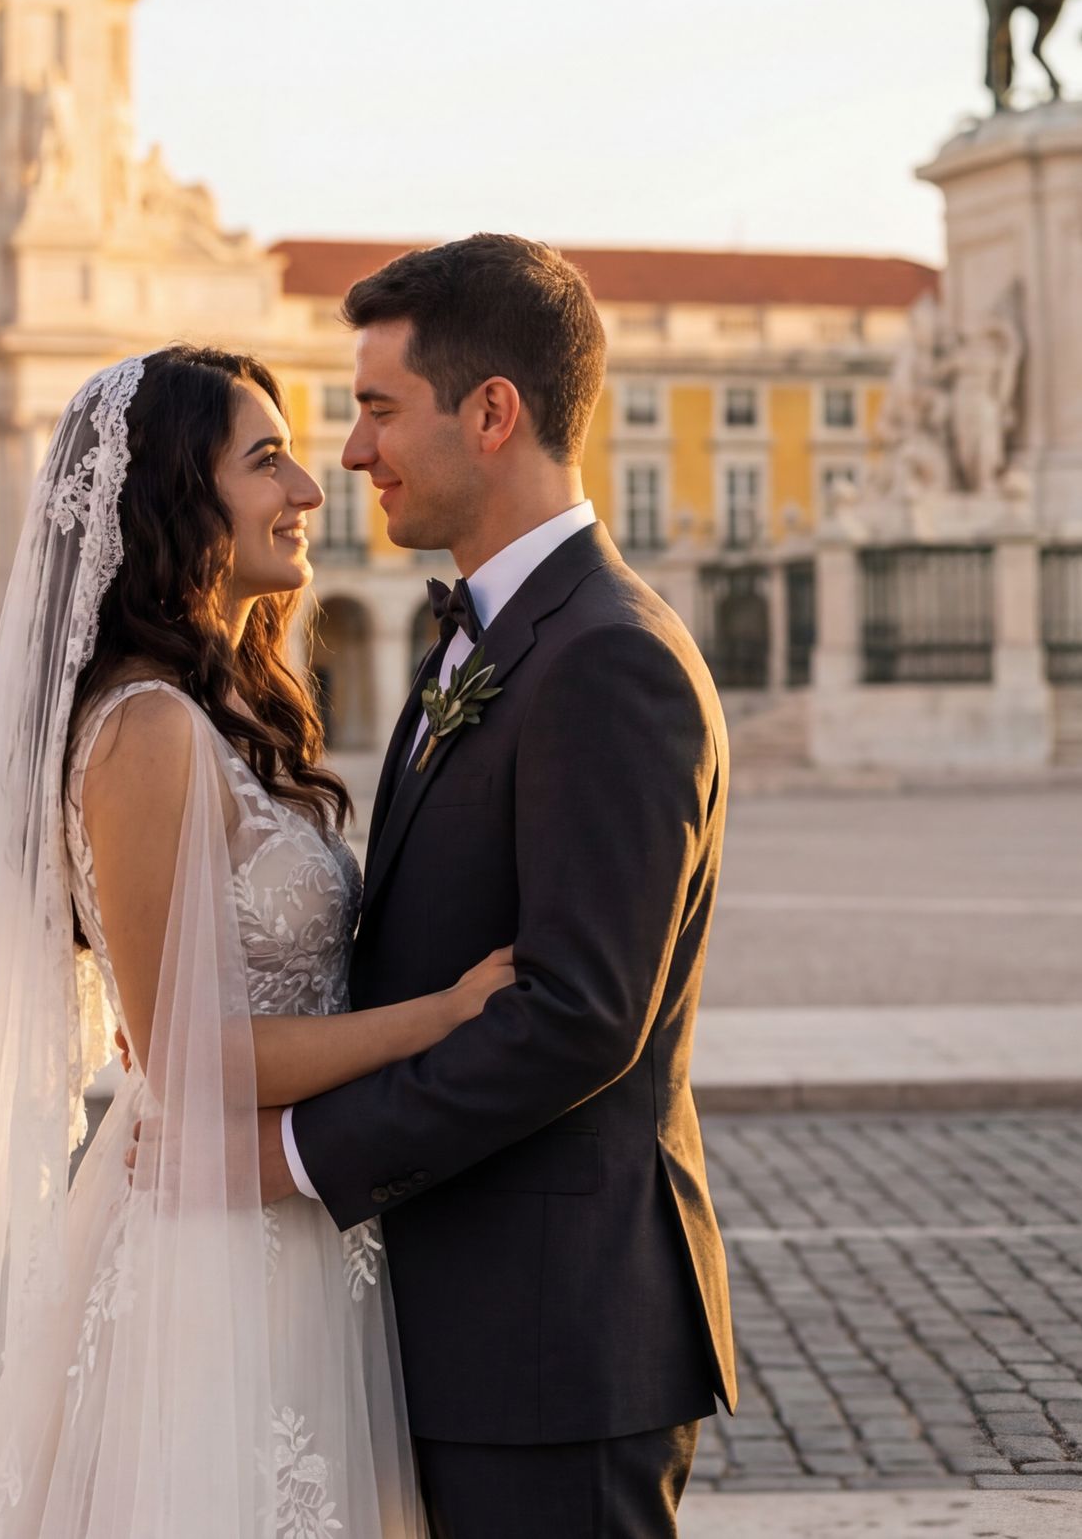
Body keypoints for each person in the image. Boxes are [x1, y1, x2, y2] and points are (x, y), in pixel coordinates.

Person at [0, 342, 517, 1536]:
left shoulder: (218, 708)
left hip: (286, 1208)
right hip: (211, 1243)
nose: (309, 488)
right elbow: (184, 1051)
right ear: (175, 496)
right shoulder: (149, 728)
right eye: (266, 460)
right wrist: (442, 1018)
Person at [281, 234, 734, 1536]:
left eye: (379, 409)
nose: (352, 453)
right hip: (471, 1324)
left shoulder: (608, 658)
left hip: (552, 1341)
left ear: (491, 413)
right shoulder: (490, 637)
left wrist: (296, 1153)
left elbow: (578, 1015)